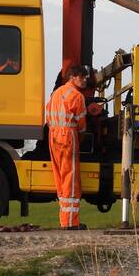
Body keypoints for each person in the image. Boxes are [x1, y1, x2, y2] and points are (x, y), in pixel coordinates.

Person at [45, 65, 102, 230]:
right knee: (71, 180)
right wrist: (81, 138)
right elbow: (82, 126)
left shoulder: (56, 94)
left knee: (61, 179)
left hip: (53, 136)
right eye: (82, 77)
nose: (85, 80)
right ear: (73, 77)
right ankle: (71, 223)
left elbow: (48, 116)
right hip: (68, 137)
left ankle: (65, 220)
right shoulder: (76, 96)